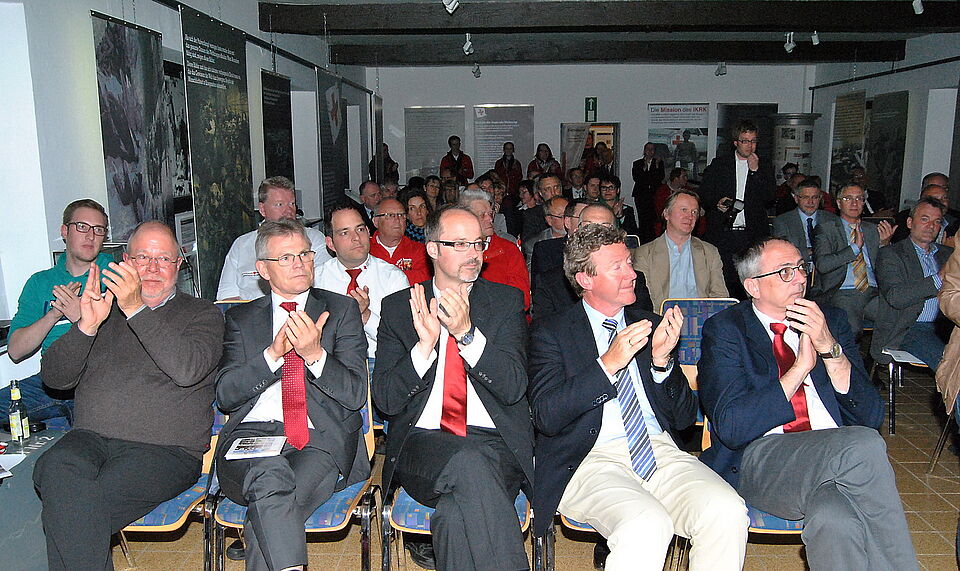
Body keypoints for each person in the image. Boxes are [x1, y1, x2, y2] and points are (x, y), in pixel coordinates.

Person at [529, 224, 748, 570]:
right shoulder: (551, 333)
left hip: (657, 451)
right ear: (585, 279)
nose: (631, 274)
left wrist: (662, 363)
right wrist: (606, 365)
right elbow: (546, 415)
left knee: (727, 510)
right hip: (588, 459)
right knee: (646, 524)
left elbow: (683, 418)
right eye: (617, 267)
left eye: (629, 263)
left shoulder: (651, 325)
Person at [698, 236, 917, 571]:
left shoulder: (830, 321)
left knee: (835, 521)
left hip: (833, 457)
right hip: (763, 461)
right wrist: (799, 369)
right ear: (753, 286)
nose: (800, 278)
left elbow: (870, 415)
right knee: (863, 445)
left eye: (801, 267)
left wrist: (829, 349)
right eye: (785, 271)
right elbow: (732, 427)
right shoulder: (727, 330)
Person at [33, 221, 223, 571]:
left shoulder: (203, 314)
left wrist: (136, 309)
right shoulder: (101, 311)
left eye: (163, 259)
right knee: (54, 466)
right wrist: (86, 326)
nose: (152, 268)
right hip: (90, 439)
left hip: (166, 452)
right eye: (142, 257)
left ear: (178, 265)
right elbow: (55, 378)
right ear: (125, 261)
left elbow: (188, 369)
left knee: (71, 509)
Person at [373, 206, 533, 571]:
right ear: (432, 248)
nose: (474, 253)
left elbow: (513, 388)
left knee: (454, 515)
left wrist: (466, 334)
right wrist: (423, 348)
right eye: (459, 244)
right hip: (423, 445)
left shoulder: (504, 302)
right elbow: (386, 400)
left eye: (478, 243)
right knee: (469, 462)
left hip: (495, 444)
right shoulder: (400, 308)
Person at [214, 219, 369, 571]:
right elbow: (226, 395)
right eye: (286, 258)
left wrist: (315, 355)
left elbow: (355, 394)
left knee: (268, 506)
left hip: (318, 440)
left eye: (304, 254)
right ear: (262, 270)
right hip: (250, 438)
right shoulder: (241, 319)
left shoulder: (340, 311)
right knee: (270, 480)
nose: (300, 264)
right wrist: (272, 355)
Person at [0, 199, 114, 425]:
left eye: (98, 229)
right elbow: (15, 350)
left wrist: (80, 317)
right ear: (64, 231)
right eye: (82, 226)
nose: (90, 236)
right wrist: (53, 314)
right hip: (50, 383)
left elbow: (123, 348)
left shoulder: (115, 275)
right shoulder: (40, 282)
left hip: (99, 381)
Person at [315, 204, 410, 364]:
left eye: (360, 229)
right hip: (330, 362)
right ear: (330, 244)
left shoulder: (393, 277)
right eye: (345, 233)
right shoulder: (316, 279)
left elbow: (403, 340)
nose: (356, 238)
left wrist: (365, 315)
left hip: (378, 361)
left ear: (368, 232)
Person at [870, 196, 953, 370]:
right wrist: (939, 278)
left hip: (948, 327)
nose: (931, 226)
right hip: (911, 327)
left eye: (937, 221)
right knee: (951, 367)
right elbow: (896, 297)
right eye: (924, 219)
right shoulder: (892, 254)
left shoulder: (947, 254)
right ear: (910, 223)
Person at [532, 205, 653, 323]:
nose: (597, 237)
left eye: (605, 229)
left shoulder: (634, 280)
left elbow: (645, 321)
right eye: (589, 228)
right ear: (576, 232)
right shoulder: (549, 283)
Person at [217, 176, 331, 300]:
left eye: (292, 204)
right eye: (279, 205)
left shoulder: (314, 239)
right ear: (262, 209)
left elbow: (324, 287)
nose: (288, 211)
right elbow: (227, 297)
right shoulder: (241, 245)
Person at [698, 120, 775, 299]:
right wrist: (717, 203)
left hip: (751, 234)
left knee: (751, 281)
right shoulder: (719, 165)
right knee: (724, 281)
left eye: (753, 141)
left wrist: (755, 171)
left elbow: (770, 198)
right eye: (745, 141)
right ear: (735, 142)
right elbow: (705, 194)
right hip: (724, 232)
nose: (750, 145)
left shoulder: (763, 166)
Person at [813, 183, 896, 336]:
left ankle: (882, 352)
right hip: (843, 290)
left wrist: (884, 245)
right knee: (851, 328)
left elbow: (885, 267)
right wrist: (855, 248)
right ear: (839, 203)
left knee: (897, 319)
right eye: (848, 198)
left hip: (873, 291)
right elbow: (823, 265)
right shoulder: (827, 228)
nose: (854, 203)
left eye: (859, 199)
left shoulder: (872, 229)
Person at [633, 190, 728, 312]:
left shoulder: (710, 252)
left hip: (700, 319)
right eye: (684, 210)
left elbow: (720, 298)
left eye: (694, 212)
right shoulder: (645, 254)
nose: (690, 216)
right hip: (661, 319)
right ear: (666, 214)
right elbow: (643, 304)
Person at [459, 188, 531, 313]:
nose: (490, 219)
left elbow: (521, 298)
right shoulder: (454, 251)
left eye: (491, 214)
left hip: (503, 318)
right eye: (482, 215)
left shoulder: (508, 250)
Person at [772, 179, 840, 269]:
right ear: (796, 199)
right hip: (795, 268)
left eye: (815, 197)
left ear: (820, 198)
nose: (810, 202)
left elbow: (837, 250)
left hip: (826, 271)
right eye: (805, 197)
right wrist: (812, 251)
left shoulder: (832, 219)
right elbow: (782, 253)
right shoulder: (782, 221)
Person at [370, 197, 431, 285]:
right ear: (376, 221)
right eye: (390, 215)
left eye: (401, 215)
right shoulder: (365, 250)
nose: (397, 220)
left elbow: (423, 281)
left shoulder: (419, 250)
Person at [892, 175, 957, 245]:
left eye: (944, 198)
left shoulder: (956, 220)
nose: (940, 202)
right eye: (934, 198)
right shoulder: (903, 219)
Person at [633, 142, 665, 242]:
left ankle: (653, 239)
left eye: (652, 149)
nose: (650, 151)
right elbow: (636, 178)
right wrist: (644, 169)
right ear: (644, 151)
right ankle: (642, 240)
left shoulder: (658, 163)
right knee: (642, 218)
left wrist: (656, 166)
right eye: (648, 149)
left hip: (654, 195)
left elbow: (660, 178)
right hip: (641, 195)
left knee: (653, 218)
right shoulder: (637, 163)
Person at [523, 196, 568, 263]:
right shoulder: (535, 245)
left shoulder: (580, 237)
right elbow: (533, 269)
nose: (567, 219)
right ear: (549, 220)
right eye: (562, 216)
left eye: (568, 214)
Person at [522, 173, 563, 242]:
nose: (553, 192)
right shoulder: (532, 215)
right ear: (540, 193)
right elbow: (528, 243)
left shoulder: (572, 208)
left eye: (556, 187)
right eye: (548, 189)